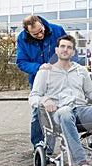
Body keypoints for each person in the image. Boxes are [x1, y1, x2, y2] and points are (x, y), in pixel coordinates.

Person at [29, 35, 92, 166]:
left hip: (81, 111)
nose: (65, 50)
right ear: (56, 50)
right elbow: (33, 97)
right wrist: (45, 100)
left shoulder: (81, 71)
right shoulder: (45, 71)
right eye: (62, 47)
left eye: (69, 47)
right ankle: (82, 165)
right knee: (65, 112)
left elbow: (90, 92)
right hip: (58, 114)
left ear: (73, 52)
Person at [16, 15, 78, 154]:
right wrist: (38, 67)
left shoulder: (56, 30)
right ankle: (39, 147)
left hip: (60, 81)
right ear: (27, 31)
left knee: (66, 109)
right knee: (37, 115)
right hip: (40, 83)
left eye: (41, 31)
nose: (39, 35)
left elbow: (69, 50)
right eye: (35, 34)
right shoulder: (22, 39)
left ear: (42, 24)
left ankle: (66, 143)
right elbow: (21, 62)